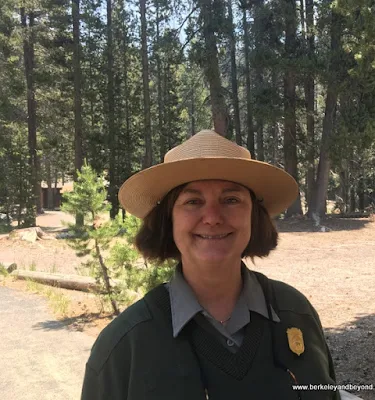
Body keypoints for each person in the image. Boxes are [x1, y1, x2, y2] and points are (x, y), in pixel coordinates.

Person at [81, 129, 340, 400]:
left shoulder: (295, 313)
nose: (213, 217)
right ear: (167, 221)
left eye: (231, 200)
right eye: (193, 201)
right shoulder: (124, 345)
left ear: (254, 216)